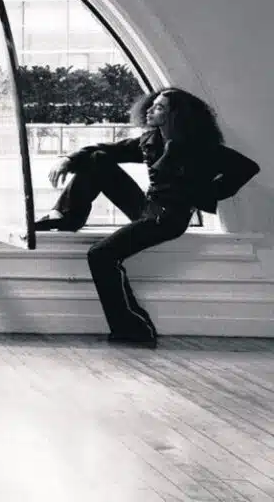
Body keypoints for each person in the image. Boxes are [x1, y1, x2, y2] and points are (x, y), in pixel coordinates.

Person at [35, 87, 259, 349]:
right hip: (147, 208)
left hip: (169, 218)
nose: (151, 109)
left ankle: (133, 327)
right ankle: (66, 216)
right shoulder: (150, 140)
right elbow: (106, 149)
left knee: (100, 254)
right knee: (97, 159)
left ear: (176, 115)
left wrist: (205, 195)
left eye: (160, 107)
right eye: (152, 105)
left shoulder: (199, 148)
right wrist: (69, 159)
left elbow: (247, 168)